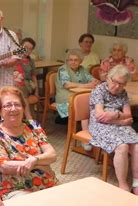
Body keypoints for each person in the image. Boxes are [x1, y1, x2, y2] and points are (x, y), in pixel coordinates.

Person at [0, 86, 58, 200]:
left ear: (23, 108)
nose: (13, 109)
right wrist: (40, 164)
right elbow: (4, 166)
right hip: (16, 189)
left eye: (17, 104)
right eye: (8, 105)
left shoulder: (33, 126)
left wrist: (34, 160)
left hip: (47, 183)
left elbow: (52, 155)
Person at [89, 65, 138, 194]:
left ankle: (136, 182)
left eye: (121, 84)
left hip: (119, 124)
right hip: (100, 126)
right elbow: (100, 116)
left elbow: (129, 115)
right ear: (108, 77)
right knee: (122, 146)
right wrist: (121, 120)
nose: (116, 86)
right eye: (114, 81)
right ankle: (123, 185)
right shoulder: (99, 90)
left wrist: (115, 115)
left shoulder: (123, 93)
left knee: (137, 146)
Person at [55, 49, 98, 125]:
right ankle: (82, 126)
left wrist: (95, 81)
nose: (73, 62)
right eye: (70, 60)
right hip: (66, 95)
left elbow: (91, 78)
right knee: (84, 102)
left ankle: (89, 123)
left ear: (80, 61)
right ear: (67, 61)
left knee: (95, 99)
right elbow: (67, 84)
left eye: (76, 60)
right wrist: (86, 86)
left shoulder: (82, 69)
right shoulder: (63, 69)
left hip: (79, 93)